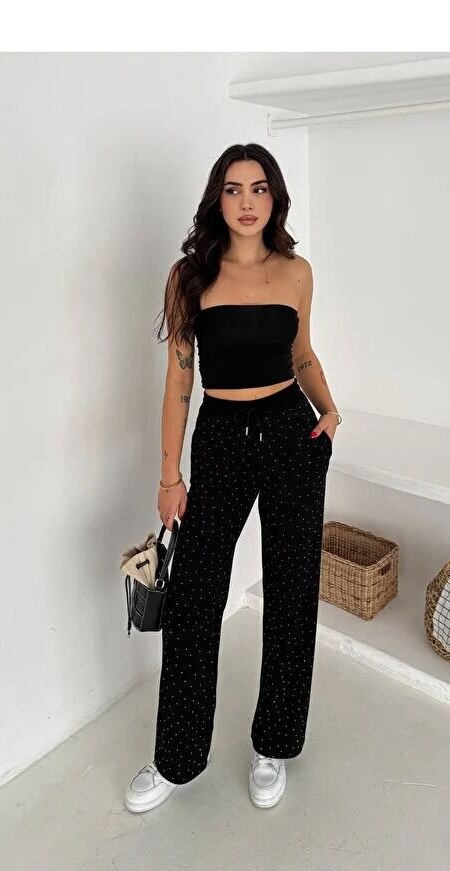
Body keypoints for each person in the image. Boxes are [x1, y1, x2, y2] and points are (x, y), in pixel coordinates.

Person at [125, 142, 342, 814]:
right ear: (216, 200)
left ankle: (272, 742)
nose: (246, 202)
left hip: (290, 431)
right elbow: (178, 382)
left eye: (258, 188)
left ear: (275, 198)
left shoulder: (296, 272)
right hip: (219, 437)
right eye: (232, 189)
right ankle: (175, 758)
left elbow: (301, 353)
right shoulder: (190, 276)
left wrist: (329, 410)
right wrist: (170, 475)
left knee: (292, 588)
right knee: (195, 598)